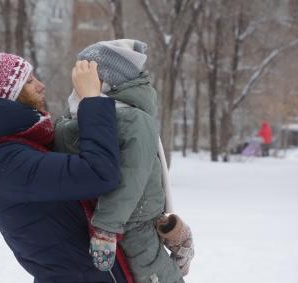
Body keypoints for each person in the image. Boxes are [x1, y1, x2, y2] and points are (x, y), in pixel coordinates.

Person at [0, 52, 130, 282]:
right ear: (5, 96)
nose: (40, 85)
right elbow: (99, 173)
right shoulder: (5, 162)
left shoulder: (13, 147)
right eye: (28, 81)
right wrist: (91, 101)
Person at [55, 39, 194, 283]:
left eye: (86, 72)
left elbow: (132, 175)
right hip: (114, 221)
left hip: (133, 225)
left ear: (104, 79)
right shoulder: (88, 112)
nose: (76, 80)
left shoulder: (132, 118)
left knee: (154, 276)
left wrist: (105, 229)